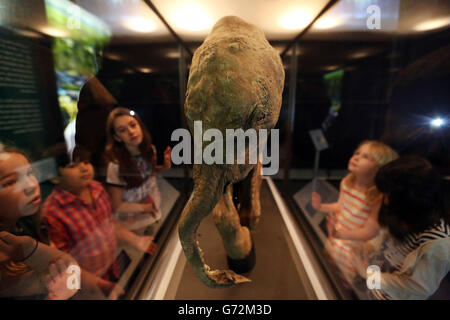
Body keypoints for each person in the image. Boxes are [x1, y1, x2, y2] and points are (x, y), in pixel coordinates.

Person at [40, 148, 157, 285]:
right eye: (73, 165)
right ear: (54, 176)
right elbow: (63, 262)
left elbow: (110, 223)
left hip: (113, 264)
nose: (84, 168)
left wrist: (136, 240)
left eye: (86, 162)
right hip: (89, 283)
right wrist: (94, 285)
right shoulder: (52, 212)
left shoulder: (97, 188)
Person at [352, 155, 450, 300]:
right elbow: (387, 238)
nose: (385, 201)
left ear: (409, 199)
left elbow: (418, 287)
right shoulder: (405, 216)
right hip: (370, 289)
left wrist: (368, 274)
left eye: (389, 195)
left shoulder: (438, 242)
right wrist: (370, 246)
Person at [311, 140, 398, 285]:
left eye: (365, 156)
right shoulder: (347, 182)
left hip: (355, 247)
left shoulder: (376, 196)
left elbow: (371, 231)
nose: (356, 157)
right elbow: (341, 206)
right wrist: (321, 206)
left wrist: (340, 234)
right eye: (357, 153)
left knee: (343, 281)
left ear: (378, 169)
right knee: (327, 272)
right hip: (338, 236)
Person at [0, 144, 78, 299]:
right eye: (10, 182)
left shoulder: (28, 223)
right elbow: (70, 274)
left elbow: (71, 273)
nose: (30, 185)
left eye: (30, 173)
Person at [104, 107, 171, 230]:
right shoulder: (115, 165)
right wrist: (147, 208)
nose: (131, 131)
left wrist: (164, 166)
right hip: (132, 214)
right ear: (117, 137)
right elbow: (117, 205)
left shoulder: (149, 149)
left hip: (151, 202)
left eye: (133, 125)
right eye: (122, 130)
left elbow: (148, 173)